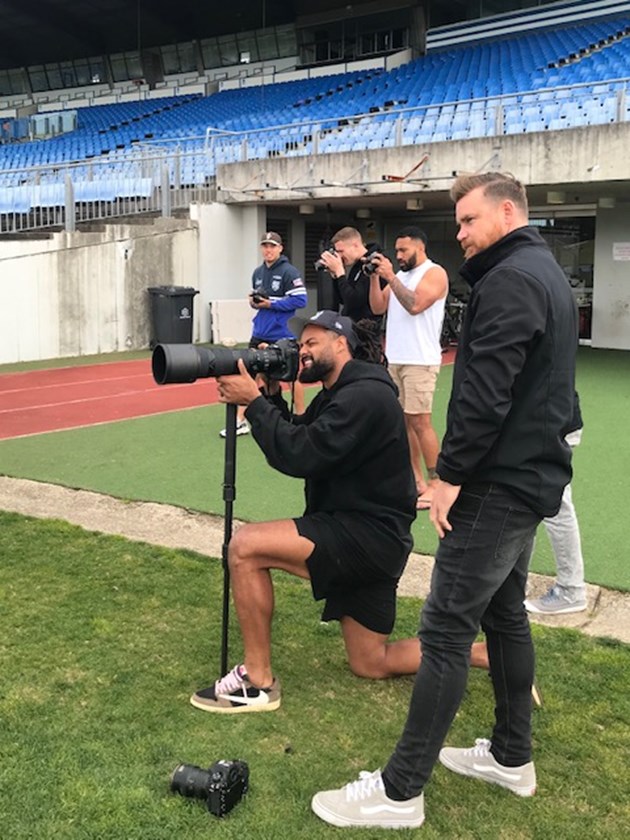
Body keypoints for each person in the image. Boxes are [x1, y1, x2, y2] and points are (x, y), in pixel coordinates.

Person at [312, 172, 578, 830]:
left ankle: (400, 792)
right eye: (455, 222)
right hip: (526, 478)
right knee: (505, 618)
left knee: (445, 631)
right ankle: (512, 756)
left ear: (507, 210)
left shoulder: (514, 278)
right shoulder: (537, 269)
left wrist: (450, 476)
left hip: (497, 484)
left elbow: (488, 390)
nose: (458, 233)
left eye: (467, 219)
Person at [193, 311, 421, 713]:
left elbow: (301, 454)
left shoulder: (364, 396)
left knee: (244, 547)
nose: (303, 351)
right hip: (374, 536)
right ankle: (480, 655)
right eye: (302, 345)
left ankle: (258, 681)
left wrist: (253, 404)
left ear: (341, 343)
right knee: (371, 662)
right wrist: (270, 396)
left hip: (366, 536)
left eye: (313, 342)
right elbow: (299, 432)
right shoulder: (342, 393)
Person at [367, 226, 448, 510]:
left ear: (419, 247)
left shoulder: (434, 273)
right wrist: (375, 278)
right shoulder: (400, 276)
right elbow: (378, 308)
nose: (398, 256)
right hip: (396, 358)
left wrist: (389, 275)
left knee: (420, 421)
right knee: (403, 422)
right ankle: (416, 481)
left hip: (420, 360)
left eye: (403, 251)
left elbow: (415, 305)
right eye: (396, 251)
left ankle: (437, 483)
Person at [220, 231, 307, 438]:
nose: (268, 250)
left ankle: (302, 418)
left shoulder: (289, 272)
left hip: (282, 333)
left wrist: (271, 303)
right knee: (251, 374)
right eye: (265, 246)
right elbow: (258, 303)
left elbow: (300, 300)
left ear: (280, 248)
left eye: (272, 246)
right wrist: (254, 302)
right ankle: (241, 421)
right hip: (260, 331)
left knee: (291, 378)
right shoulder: (258, 272)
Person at [525, 393, 587, 614]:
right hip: (545, 420)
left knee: (557, 506)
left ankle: (571, 590)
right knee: (525, 500)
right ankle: (514, 583)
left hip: (550, 424)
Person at [316, 226, 385, 325]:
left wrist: (340, 272)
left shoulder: (373, 264)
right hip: (351, 324)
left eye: (341, 251)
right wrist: (335, 276)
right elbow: (344, 300)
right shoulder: (356, 265)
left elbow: (354, 301)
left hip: (365, 328)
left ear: (355, 245)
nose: (340, 256)